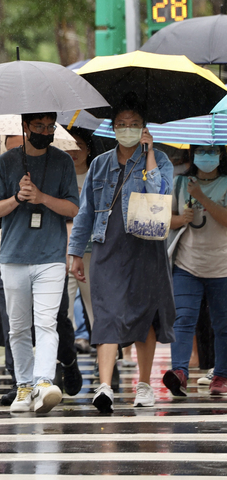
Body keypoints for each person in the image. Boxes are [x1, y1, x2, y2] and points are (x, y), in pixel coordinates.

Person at [69, 94, 175, 413]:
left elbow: (162, 194)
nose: (127, 129)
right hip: (107, 246)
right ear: (112, 128)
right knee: (107, 313)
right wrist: (75, 252)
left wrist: (150, 153)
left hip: (146, 248)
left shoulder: (159, 160)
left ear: (144, 127)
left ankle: (143, 384)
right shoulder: (100, 164)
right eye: (121, 125)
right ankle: (104, 386)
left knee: (145, 315)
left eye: (133, 125)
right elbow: (86, 212)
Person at [0, 112, 79, 414]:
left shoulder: (63, 161)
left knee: (46, 323)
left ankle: (42, 381)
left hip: (51, 256)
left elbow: (73, 208)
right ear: (25, 127)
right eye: (39, 126)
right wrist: (18, 197)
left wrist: (41, 197)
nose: (45, 131)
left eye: (50, 126)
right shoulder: (4, 163)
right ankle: (24, 385)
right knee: (17, 328)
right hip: (13, 257)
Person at [163, 145, 227, 396]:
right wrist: (181, 219)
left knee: (222, 325)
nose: (207, 156)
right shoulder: (179, 183)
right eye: (201, 150)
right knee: (183, 319)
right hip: (186, 265)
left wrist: (201, 197)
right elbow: (165, 219)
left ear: (221, 155)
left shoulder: (224, 183)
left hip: (222, 267)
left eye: (212, 151)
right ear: (192, 154)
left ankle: (221, 375)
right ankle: (179, 372)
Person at [64, 129, 96, 353]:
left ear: (89, 150)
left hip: (91, 249)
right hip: (62, 250)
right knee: (62, 309)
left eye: (80, 146)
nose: (74, 151)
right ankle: (64, 359)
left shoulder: (96, 175)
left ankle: (106, 361)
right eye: (70, 146)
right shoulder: (58, 176)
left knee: (95, 307)